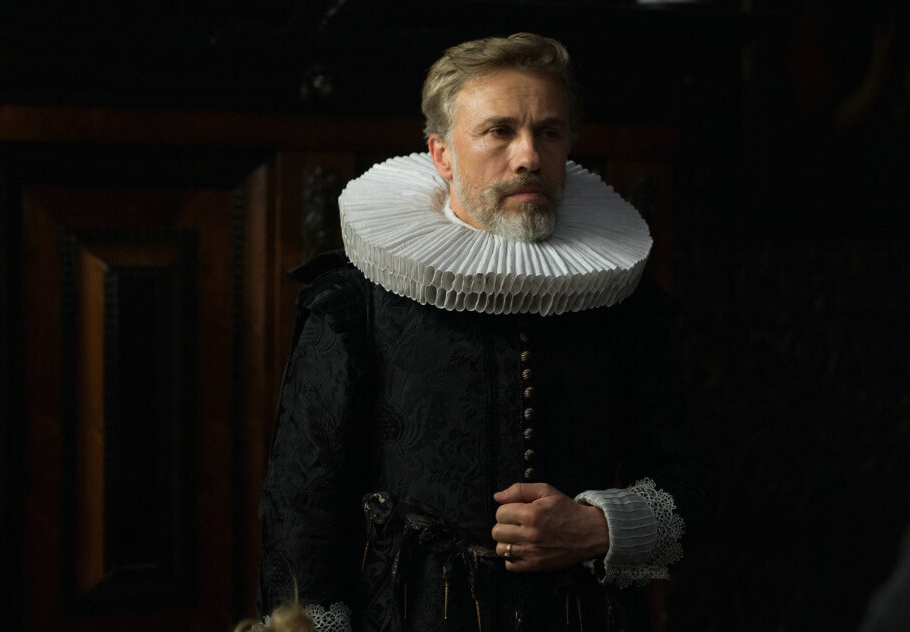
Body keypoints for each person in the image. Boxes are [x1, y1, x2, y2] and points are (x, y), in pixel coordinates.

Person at [257, 32, 708, 631]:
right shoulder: (353, 302)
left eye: (549, 132)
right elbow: (301, 511)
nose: (529, 157)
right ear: (442, 154)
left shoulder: (626, 302)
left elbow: (695, 481)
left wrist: (598, 527)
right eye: (499, 131)